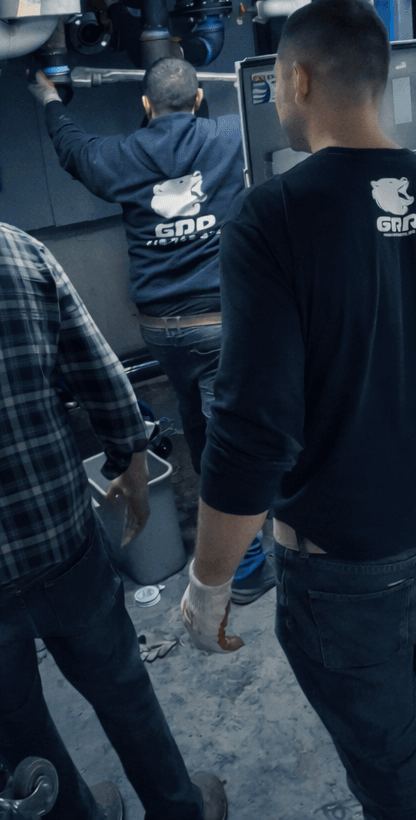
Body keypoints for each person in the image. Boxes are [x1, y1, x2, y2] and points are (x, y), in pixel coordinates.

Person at [180, 0, 416, 820]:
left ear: (298, 79)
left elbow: (252, 431)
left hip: (342, 572)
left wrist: (208, 581)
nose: (274, 97)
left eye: (275, 82)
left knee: (390, 758)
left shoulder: (271, 219)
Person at [0, 223, 227, 820]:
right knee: (122, 688)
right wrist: (128, 457)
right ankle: (178, 808)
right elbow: (98, 371)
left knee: (16, 727)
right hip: (56, 539)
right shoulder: (18, 250)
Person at [31, 58, 272, 603]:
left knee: (200, 428)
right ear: (198, 100)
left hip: (162, 335)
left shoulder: (122, 155)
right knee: (225, 449)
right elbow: (278, 119)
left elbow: (74, 149)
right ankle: (248, 565)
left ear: (145, 106)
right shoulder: (229, 135)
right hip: (219, 329)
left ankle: (230, 547)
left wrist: (48, 97)